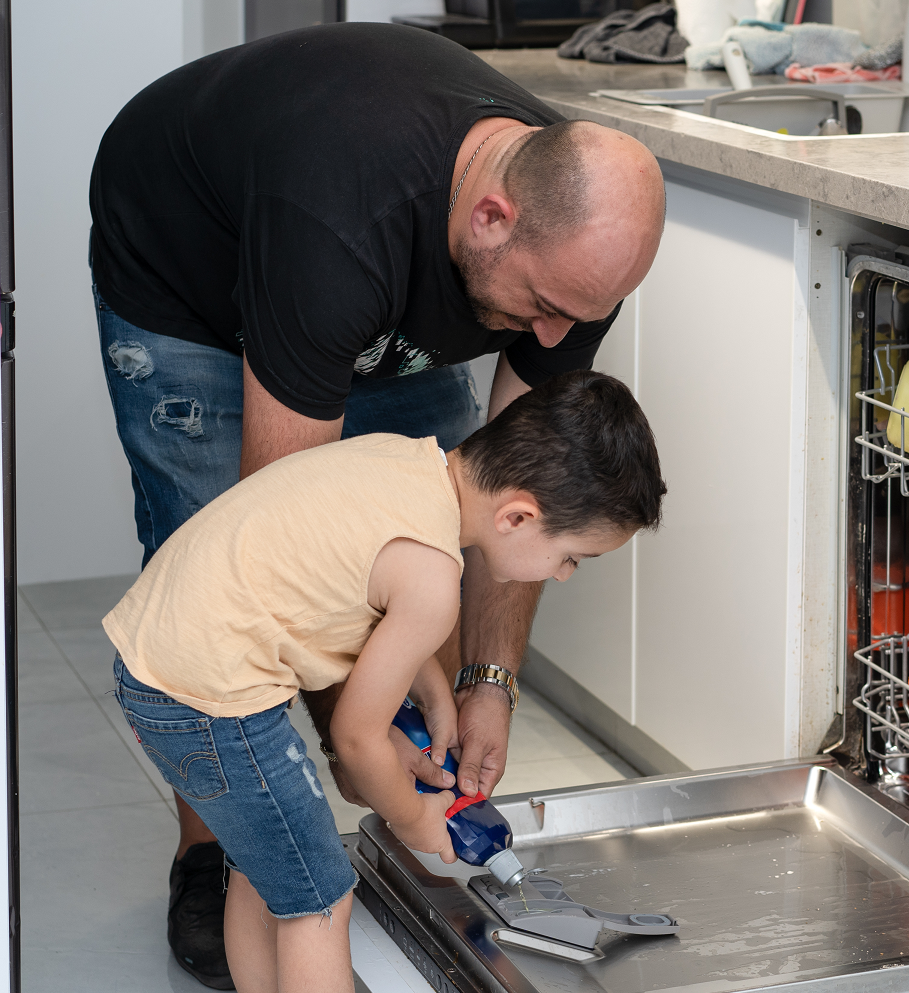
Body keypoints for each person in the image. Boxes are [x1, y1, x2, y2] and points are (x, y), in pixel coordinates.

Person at [88, 20, 666, 988]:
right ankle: (221, 848)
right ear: (489, 218)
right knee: (242, 614)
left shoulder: (564, 260)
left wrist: (482, 682)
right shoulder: (335, 225)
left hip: (362, 279)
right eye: (544, 303)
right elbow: (278, 533)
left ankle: (272, 849)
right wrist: (387, 787)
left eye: (583, 312)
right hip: (190, 275)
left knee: (411, 542)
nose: (558, 331)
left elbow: (507, 479)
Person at [102, 370, 667, 993]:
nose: (562, 575)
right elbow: (356, 738)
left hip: (158, 662)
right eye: (570, 557)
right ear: (517, 516)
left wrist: (427, 683)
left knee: (267, 869)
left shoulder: (406, 464)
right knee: (321, 894)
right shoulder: (432, 578)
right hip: (209, 702)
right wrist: (413, 819)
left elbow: (358, 583)